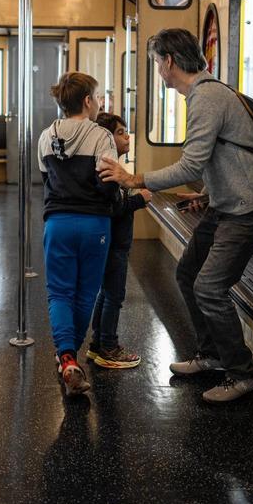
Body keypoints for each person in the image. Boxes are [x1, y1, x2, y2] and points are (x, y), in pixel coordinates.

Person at [100, 28, 253, 403]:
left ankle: (243, 375)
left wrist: (135, 178)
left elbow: (192, 163)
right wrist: (208, 194)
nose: (158, 69)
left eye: (157, 62)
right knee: (187, 272)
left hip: (245, 210)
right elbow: (224, 157)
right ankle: (211, 356)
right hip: (225, 203)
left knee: (209, 287)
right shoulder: (205, 94)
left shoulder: (206, 98)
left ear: (169, 62)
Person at [38, 72, 120, 397]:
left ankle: (67, 357)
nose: (99, 102)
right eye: (97, 96)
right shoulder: (102, 136)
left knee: (59, 293)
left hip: (57, 223)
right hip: (94, 224)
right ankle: (71, 353)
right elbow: (108, 182)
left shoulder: (46, 136)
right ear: (87, 100)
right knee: (86, 294)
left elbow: (47, 180)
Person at [87, 112, 151, 370]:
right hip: (113, 243)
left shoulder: (113, 167)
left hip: (115, 242)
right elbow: (112, 208)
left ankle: (97, 344)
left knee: (107, 293)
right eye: (121, 132)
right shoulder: (109, 169)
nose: (127, 137)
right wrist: (140, 199)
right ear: (107, 137)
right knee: (115, 295)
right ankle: (109, 347)